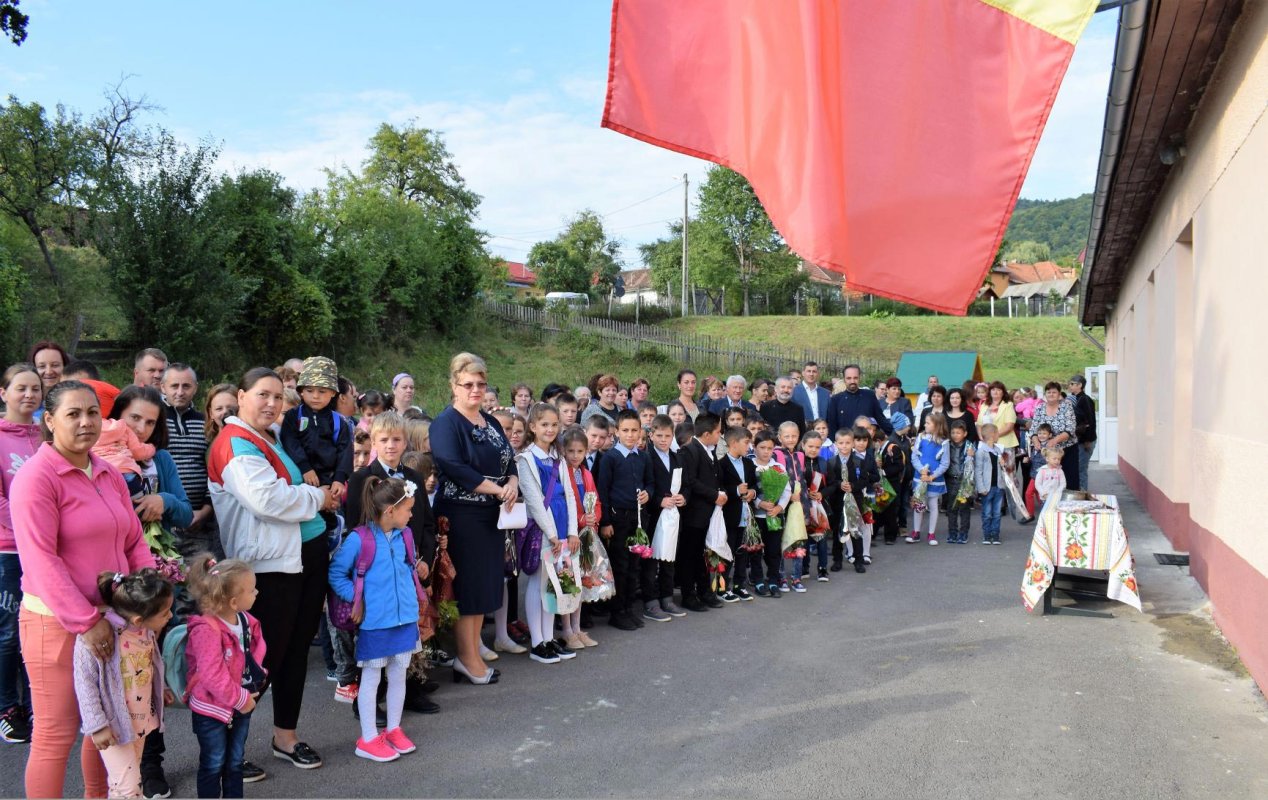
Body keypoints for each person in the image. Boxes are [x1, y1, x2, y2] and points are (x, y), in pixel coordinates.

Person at [13, 380, 157, 798]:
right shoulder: (37, 478)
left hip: (113, 620)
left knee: (109, 726)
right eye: (73, 414)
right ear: (50, 420)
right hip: (54, 625)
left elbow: (133, 540)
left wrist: (145, 599)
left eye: (92, 412)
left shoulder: (108, 472)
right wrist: (84, 620)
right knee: (55, 736)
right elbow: (41, 559)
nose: (85, 422)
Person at [208, 367, 333, 770]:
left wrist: (310, 497)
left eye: (279, 397)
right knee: (262, 658)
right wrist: (317, 497)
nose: (272, 403)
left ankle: (286, 736)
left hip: (303, 556)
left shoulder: (273, 437)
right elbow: (266, 500)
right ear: (240, 396)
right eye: (263, 394)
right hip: (269, 567)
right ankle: (229, 750)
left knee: (294, 652)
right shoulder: (234, 442)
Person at [429, 353, 516, 686]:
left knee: (483, 587)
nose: (476, 389)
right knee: (466, 590)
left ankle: (473, 656)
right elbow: (452, 465)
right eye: (469, 384)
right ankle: (466, 658)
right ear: (454, 386)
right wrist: (495, 488)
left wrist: (511, 482)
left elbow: (509, 460)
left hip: (492, 515)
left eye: (481, 383)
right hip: (461, 517)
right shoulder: (445, 423)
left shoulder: (491, 422)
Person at [344, 412, 438, 714]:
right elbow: (355, 528)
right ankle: (367, 700)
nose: (391, 445)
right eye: (383, 440)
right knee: (375, 635)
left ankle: (410, 691)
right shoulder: (362, 479)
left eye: (396, 439)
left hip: (409, 569)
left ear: (405, 441)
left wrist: (423, 558)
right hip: (377, 573)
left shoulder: (412, 478)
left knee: (409, 630)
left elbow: (423, 522)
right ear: (373, 442)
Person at [329, 476, 423, 763]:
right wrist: (359, 599)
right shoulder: (359, 538)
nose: (411, 514)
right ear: (390, 511)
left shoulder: (405, 534)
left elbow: (408, 566)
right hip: (375, 622)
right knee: (371, 677)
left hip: (404, 618)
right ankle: (368, 738)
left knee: (398, 675)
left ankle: (393, 729)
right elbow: (335, 574)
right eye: (408, 509)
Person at [73, 569, 172, 799]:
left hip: (140, 721)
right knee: (127, 788)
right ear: (138, 618)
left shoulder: (145, 631)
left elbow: (152, 663)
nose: (170, 617)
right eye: (165, 613)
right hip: (115, 724)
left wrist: (162, 688)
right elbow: (84, 682)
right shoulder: (100, 638)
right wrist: (97, 725)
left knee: (128, 782)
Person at [184, 555, 264, 799]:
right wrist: (241, 698)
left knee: (235, 761)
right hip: (212, 709)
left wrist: (257, 675)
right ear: (232, 600)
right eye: (251, 590)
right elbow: (211, 675)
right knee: (214, 762)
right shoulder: (207, 630)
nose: (257, 592)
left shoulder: (245, 621)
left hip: (240, 705)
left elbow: (256, 649)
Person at [516, 403, 580, 661]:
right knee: (539, 582)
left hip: (563, 525)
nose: (550, 429)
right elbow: (533, 500)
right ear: (533, 427)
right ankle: (537, 641)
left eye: (554, 425)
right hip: (543, 529)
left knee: (553, 583)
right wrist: (552, 535)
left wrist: (573, 531)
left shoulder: (558, 458)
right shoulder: (525, 459)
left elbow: (570, 496)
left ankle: (550, 638)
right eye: (544, 424)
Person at [0, 363, 40, 745]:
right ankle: (7, 709)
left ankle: (35, 705)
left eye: (35, 389)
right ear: (4, 393)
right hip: (8, 550)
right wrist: (32, 529)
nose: (29, 395)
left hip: (42, 551)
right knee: (9, 632)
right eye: (20, 388)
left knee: (38, 630)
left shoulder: (46, 437)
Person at [280, 356, 354, 551]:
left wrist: (339, 478)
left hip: (329, 478)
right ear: (301, 391)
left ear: (332, 393)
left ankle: (333, 535)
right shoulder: (293, 417)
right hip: (301, 478)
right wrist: (305, 467)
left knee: (330, 511)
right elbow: (290, 442)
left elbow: (345, 451)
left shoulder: (339, 422)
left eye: (322, 391)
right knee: (307, 515)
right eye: (309, 390)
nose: (315, 396)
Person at [596, 410, 653, 630]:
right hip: (618, 520)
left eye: (634, 431)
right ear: (617, 432)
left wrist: (648, 492)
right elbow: (603, 491)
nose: (630, 435)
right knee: (619, 565)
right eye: (625, 430)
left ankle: (629, 609)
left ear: (640, 432)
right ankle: (617, 612)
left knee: (634, 565)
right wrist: (606, 522)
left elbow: (650, 483)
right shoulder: (610, 458)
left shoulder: (643, 457)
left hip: (638, 520)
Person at [161, 364, 217, 559]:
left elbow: (214, 470)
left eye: (186, 386)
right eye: (174, 386)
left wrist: (205, 511)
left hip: (199, 523)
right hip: (163, 523)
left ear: (195, 388)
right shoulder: (154, 421)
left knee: (200, 583)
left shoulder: (205, 423)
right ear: (163, 387)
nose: (180, 392)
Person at [558, 425, 602, 647]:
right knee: (568, 581)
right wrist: (582, 519)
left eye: (580, 452)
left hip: (586, 534)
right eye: (571, 451)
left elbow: (595, 499)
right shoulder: (562, 472)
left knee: (581, 581)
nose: (575, 456)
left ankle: (577, 627)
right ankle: (566, 629)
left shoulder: (585, 473)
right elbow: (566, 505)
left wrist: (594, 517)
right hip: (570, 535)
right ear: (564, 451)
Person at [677, 412, 725, 611]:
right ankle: (689, 595)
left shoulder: (708, 450)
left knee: (700, 554)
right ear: (706, 434)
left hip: (706, 513)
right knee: (689, 555)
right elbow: (690, 481)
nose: (720, 436)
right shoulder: (689, 451)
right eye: (718, 432)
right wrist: (714, 495)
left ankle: (704, 591)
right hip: (693, 514)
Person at [642, 415, 685, 619]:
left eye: (667, 436)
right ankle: (651, 602)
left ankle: (667, 598)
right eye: (658, 435)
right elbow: (643, 485)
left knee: (669, 557)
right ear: (651, 435)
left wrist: (683, 498)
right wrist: (658, 500)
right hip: (654, 514)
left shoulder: (677, 457)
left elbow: (686, 484)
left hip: (673, 515)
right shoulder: (645, 456)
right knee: (651, 559)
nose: (663, 440)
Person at [718, 426, 757, 602]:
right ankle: (722, 587)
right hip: (730, 516)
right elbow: (718, 489)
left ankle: (739, 585)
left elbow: (754, 485)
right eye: (746, 442)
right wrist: (735, 490)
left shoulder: (749, 463)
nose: (749, 446)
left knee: (743, 552)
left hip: (746, 516)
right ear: (733, 443)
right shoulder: (721, 464)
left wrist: (752, 493)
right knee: (728, 552)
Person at [750, 430, 788, 598]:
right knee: (756, 550)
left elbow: (786, 491)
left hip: (774, 516)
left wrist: (779, 508)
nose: (766, 451)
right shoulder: (750, 465)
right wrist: (759, 503)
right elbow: (749, 491)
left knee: (773, 550)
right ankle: (758, 579)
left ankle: (773, 579)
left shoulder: (778, 467)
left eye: (770, 448)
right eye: (762, 447)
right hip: (756, 516)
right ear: (754, 447)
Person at [906, 412, 949, 546]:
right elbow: (914, 457)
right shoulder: (921, 437)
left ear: (937, 426)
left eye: (928, 423)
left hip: (934, 478)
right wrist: (921, 470)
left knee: (933, 505)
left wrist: (932, 476)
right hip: (920, 477)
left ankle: (931, 534)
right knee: (918, 504)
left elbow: (945, 463)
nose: (925, 425)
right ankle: (916, 532)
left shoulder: (944, 442)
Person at [844, 426, 880, 572]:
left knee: (865, 525)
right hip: (851, 496)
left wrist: (865, 476)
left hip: (866, 495)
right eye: (857, 440)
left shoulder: (869, 457)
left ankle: (865, 553)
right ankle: (851, 553)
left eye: (864, 440)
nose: (861, 443)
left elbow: (876, 476)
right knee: (850, 525)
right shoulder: (848, 456)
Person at [1030, 382, 1079, 491]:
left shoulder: (1066, 406)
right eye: (1048, 392)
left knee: (1070, 480)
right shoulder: (1039, 408)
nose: (1051, 394)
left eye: (1054, 392)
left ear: (1059, 394)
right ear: (1045, 394)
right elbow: (1033, 429)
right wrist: (1035, 441)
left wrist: (1055, 440)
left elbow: (1070, 428)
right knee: (1050, 481)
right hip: (1047, 453)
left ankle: (1070, 505)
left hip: (1067, 450)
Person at [827, 365, 892, 438]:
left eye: (855, 378)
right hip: (845, 445)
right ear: (844, 379)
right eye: (849, 378)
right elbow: (832, 427)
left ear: (859, 378)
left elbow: (881, 419)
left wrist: (895, 435)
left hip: (866, 443)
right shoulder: (836, 400)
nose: (852, 381)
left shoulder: (869, 395)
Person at [944, 421, 976, 544]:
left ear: (965, 433)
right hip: (951, 479)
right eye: (953, 432)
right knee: (951, 508)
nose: (955, 435)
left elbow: (973, 465)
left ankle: (963, 533)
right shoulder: (947, 445)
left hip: (965, 481)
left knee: (964, 508)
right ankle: (952, 532)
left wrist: (972, 456)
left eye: (958, 432)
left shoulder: (970, 446)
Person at [974, 423, 1007, 545]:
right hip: (986, 488)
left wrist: (1003, 464)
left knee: (997, 513)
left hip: (998, 486)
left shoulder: (998, 450)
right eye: (997, 433)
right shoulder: (981, 451)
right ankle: (987, 535)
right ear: (992, 435)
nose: (999, 436)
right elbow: (978, 471)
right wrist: (981, 487)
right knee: (987, 513)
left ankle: (996, 535)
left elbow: (1002, 468)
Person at [1068, 375, 1097, 492]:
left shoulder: (1084, 399)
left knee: (1081, 469)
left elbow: (1089, 421)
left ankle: (1082, 494)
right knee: (1079, 469)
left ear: (1079, 385)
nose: (1069, 386)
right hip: (1080, 440)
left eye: (1072, 384)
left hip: (1085, 441)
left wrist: (1087, 440)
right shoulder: (1077, 399)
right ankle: (1080, 493)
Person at [977, 381, 1018, 451]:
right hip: (986, 443)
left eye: (998, 390)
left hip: (1004, 443)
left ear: (1003, 393)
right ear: (989, 392)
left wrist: (993, 437)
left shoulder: (1008, 405)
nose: (995, 392)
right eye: (993, 390)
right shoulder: (984, 405)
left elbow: (1009, 426)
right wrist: (982, 436)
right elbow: (979, 424)